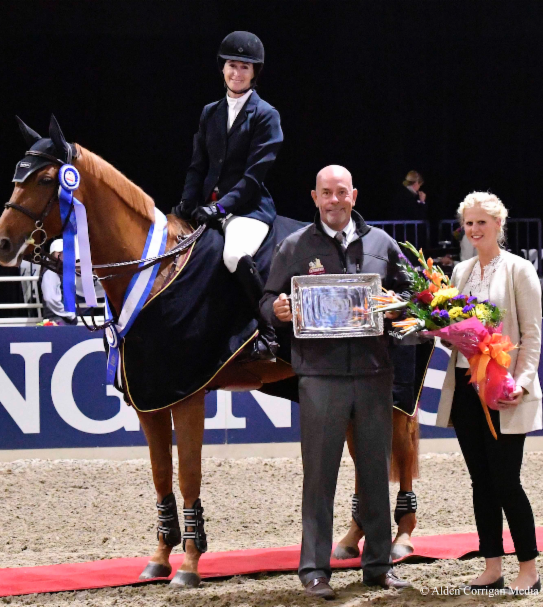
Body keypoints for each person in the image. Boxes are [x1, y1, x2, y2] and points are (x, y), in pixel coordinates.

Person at [260, 165, 411, 598]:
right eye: (326, 193)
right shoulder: (294, 246)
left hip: (373, 373)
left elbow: (408, 297)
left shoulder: (382, 244)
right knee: (319, 475)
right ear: (314, 197)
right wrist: (279, 310)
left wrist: (398, 307)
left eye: (341, 192)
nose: (333, 200)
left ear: (354, 195)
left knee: (375, 473)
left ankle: (378, 565)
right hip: (319, 376)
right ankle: (314, 570)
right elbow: (268, 298)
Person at [435, 192, 543, 594]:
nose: (475, 230)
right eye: (469, 223)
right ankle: (492, 565)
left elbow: (532, 335)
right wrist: (446, 333)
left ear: (500, 224)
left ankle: (529, 568)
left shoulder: (519, 270)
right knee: (481, 481)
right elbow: (452, 332)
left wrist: (523, 382)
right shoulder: (460, 271)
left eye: (482, 222)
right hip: (466, 389)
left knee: (505, 481)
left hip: (503, 391)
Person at [173, 30, 283, 360]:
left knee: (234, 256)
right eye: (232, 66)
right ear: (223, 68)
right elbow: (198, 165)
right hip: (210, 206)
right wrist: (188, 201)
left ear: (254, 73)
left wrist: (220, 207)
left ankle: (268, 332)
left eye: (244, 68)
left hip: (248, 209)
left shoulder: (266, 115)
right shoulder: (210, 112)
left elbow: (253, 177)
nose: (237, 73)